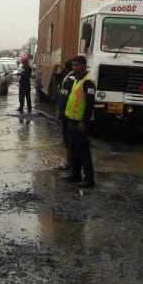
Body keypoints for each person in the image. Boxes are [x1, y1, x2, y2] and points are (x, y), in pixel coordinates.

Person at [62, 55, 96, 187]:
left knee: (83, 151)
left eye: (77, 65)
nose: (74, 67)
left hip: (80, 122)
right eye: (73, 65)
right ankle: (75, 174)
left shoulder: (88, 82)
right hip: (72, 120)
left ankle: (89, 178)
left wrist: (84, 121)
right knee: (74, 148)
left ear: (83, 66)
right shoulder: (77, 80)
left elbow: (90, 104)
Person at [56, 59, 76, 171]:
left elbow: (64, 98)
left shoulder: (69, 80)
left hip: (68, 114)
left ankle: (69, 163)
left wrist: (60, 111)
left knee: (68, 139)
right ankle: (72, 163)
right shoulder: (77, 79)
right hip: (74, 114)